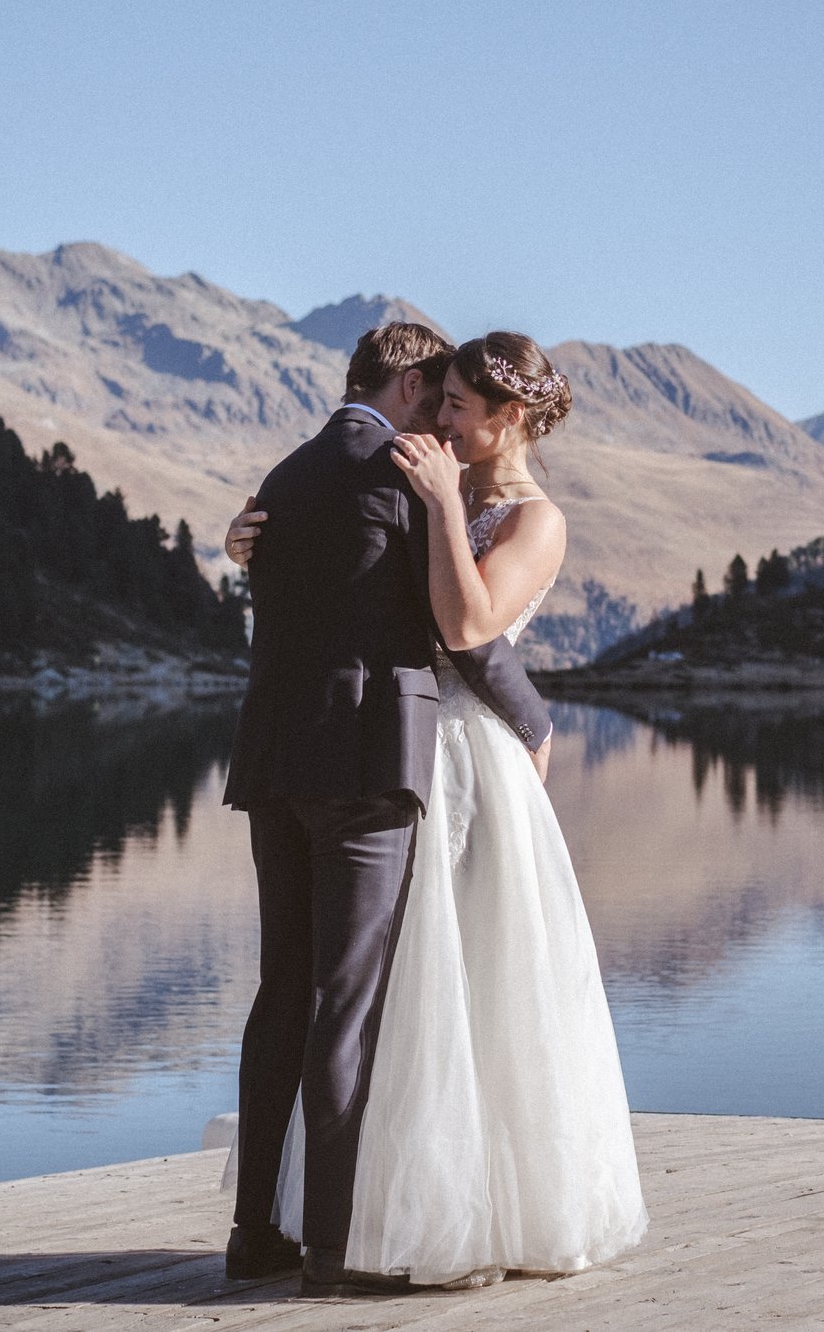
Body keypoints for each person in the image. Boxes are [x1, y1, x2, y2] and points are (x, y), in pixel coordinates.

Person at [224, 331, 649, 1291]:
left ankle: (433, 1210)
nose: (444, 420)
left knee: (468, 987)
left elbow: (464, 623)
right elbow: (421, 618)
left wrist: (439, 509)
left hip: (449, 765)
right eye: (441, 397)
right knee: (384, 998)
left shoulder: (525, 515)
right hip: (390, 755)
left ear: (508, 419)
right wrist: (540, 717)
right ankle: (354, 1231)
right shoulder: (420, 482)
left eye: (461, 405)